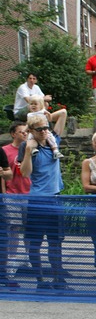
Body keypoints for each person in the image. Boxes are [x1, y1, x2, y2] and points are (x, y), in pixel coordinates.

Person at [18, 113, 68, 289]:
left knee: (56, 242)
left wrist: (44, 114)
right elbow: (25, 173)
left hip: (55, 197)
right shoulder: (27, 145)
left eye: (46, 127)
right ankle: (40, 280)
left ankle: (58, 279)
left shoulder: (53, 141)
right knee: (36, 242)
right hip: (38, 199)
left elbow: (63, 114)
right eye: (40, 129)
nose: (45, 131)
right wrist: (28, 151)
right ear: (32, 131)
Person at [3, 122, 30, 285]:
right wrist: (4, 193)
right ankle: (11, 262)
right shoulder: (5, 151)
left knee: (29, 228)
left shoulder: (31, 147)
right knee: (14, 227)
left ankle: (27, 258)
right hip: (12, 194)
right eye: (21, 132)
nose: (25, 134)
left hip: (29, 193)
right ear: (14, 134)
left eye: (27, 132)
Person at [25, 95, 65, 159]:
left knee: (51, 138)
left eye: (35, 104)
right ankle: (33, 149)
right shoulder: (29, 115)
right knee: (29, 138)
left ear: (40, 105)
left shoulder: (42, 112)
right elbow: (29, 124)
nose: (33, 105)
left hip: (45, 128)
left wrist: (49, 116)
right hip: (33, 130)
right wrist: (25, 130)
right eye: (31, 104)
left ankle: (55, 150)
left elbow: (49, 117)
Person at [0, 139, 14, 287]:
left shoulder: (0, 151)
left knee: (3, 239)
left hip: (0, 204)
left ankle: (3, 275)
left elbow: (9, 175)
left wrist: (3, 172)